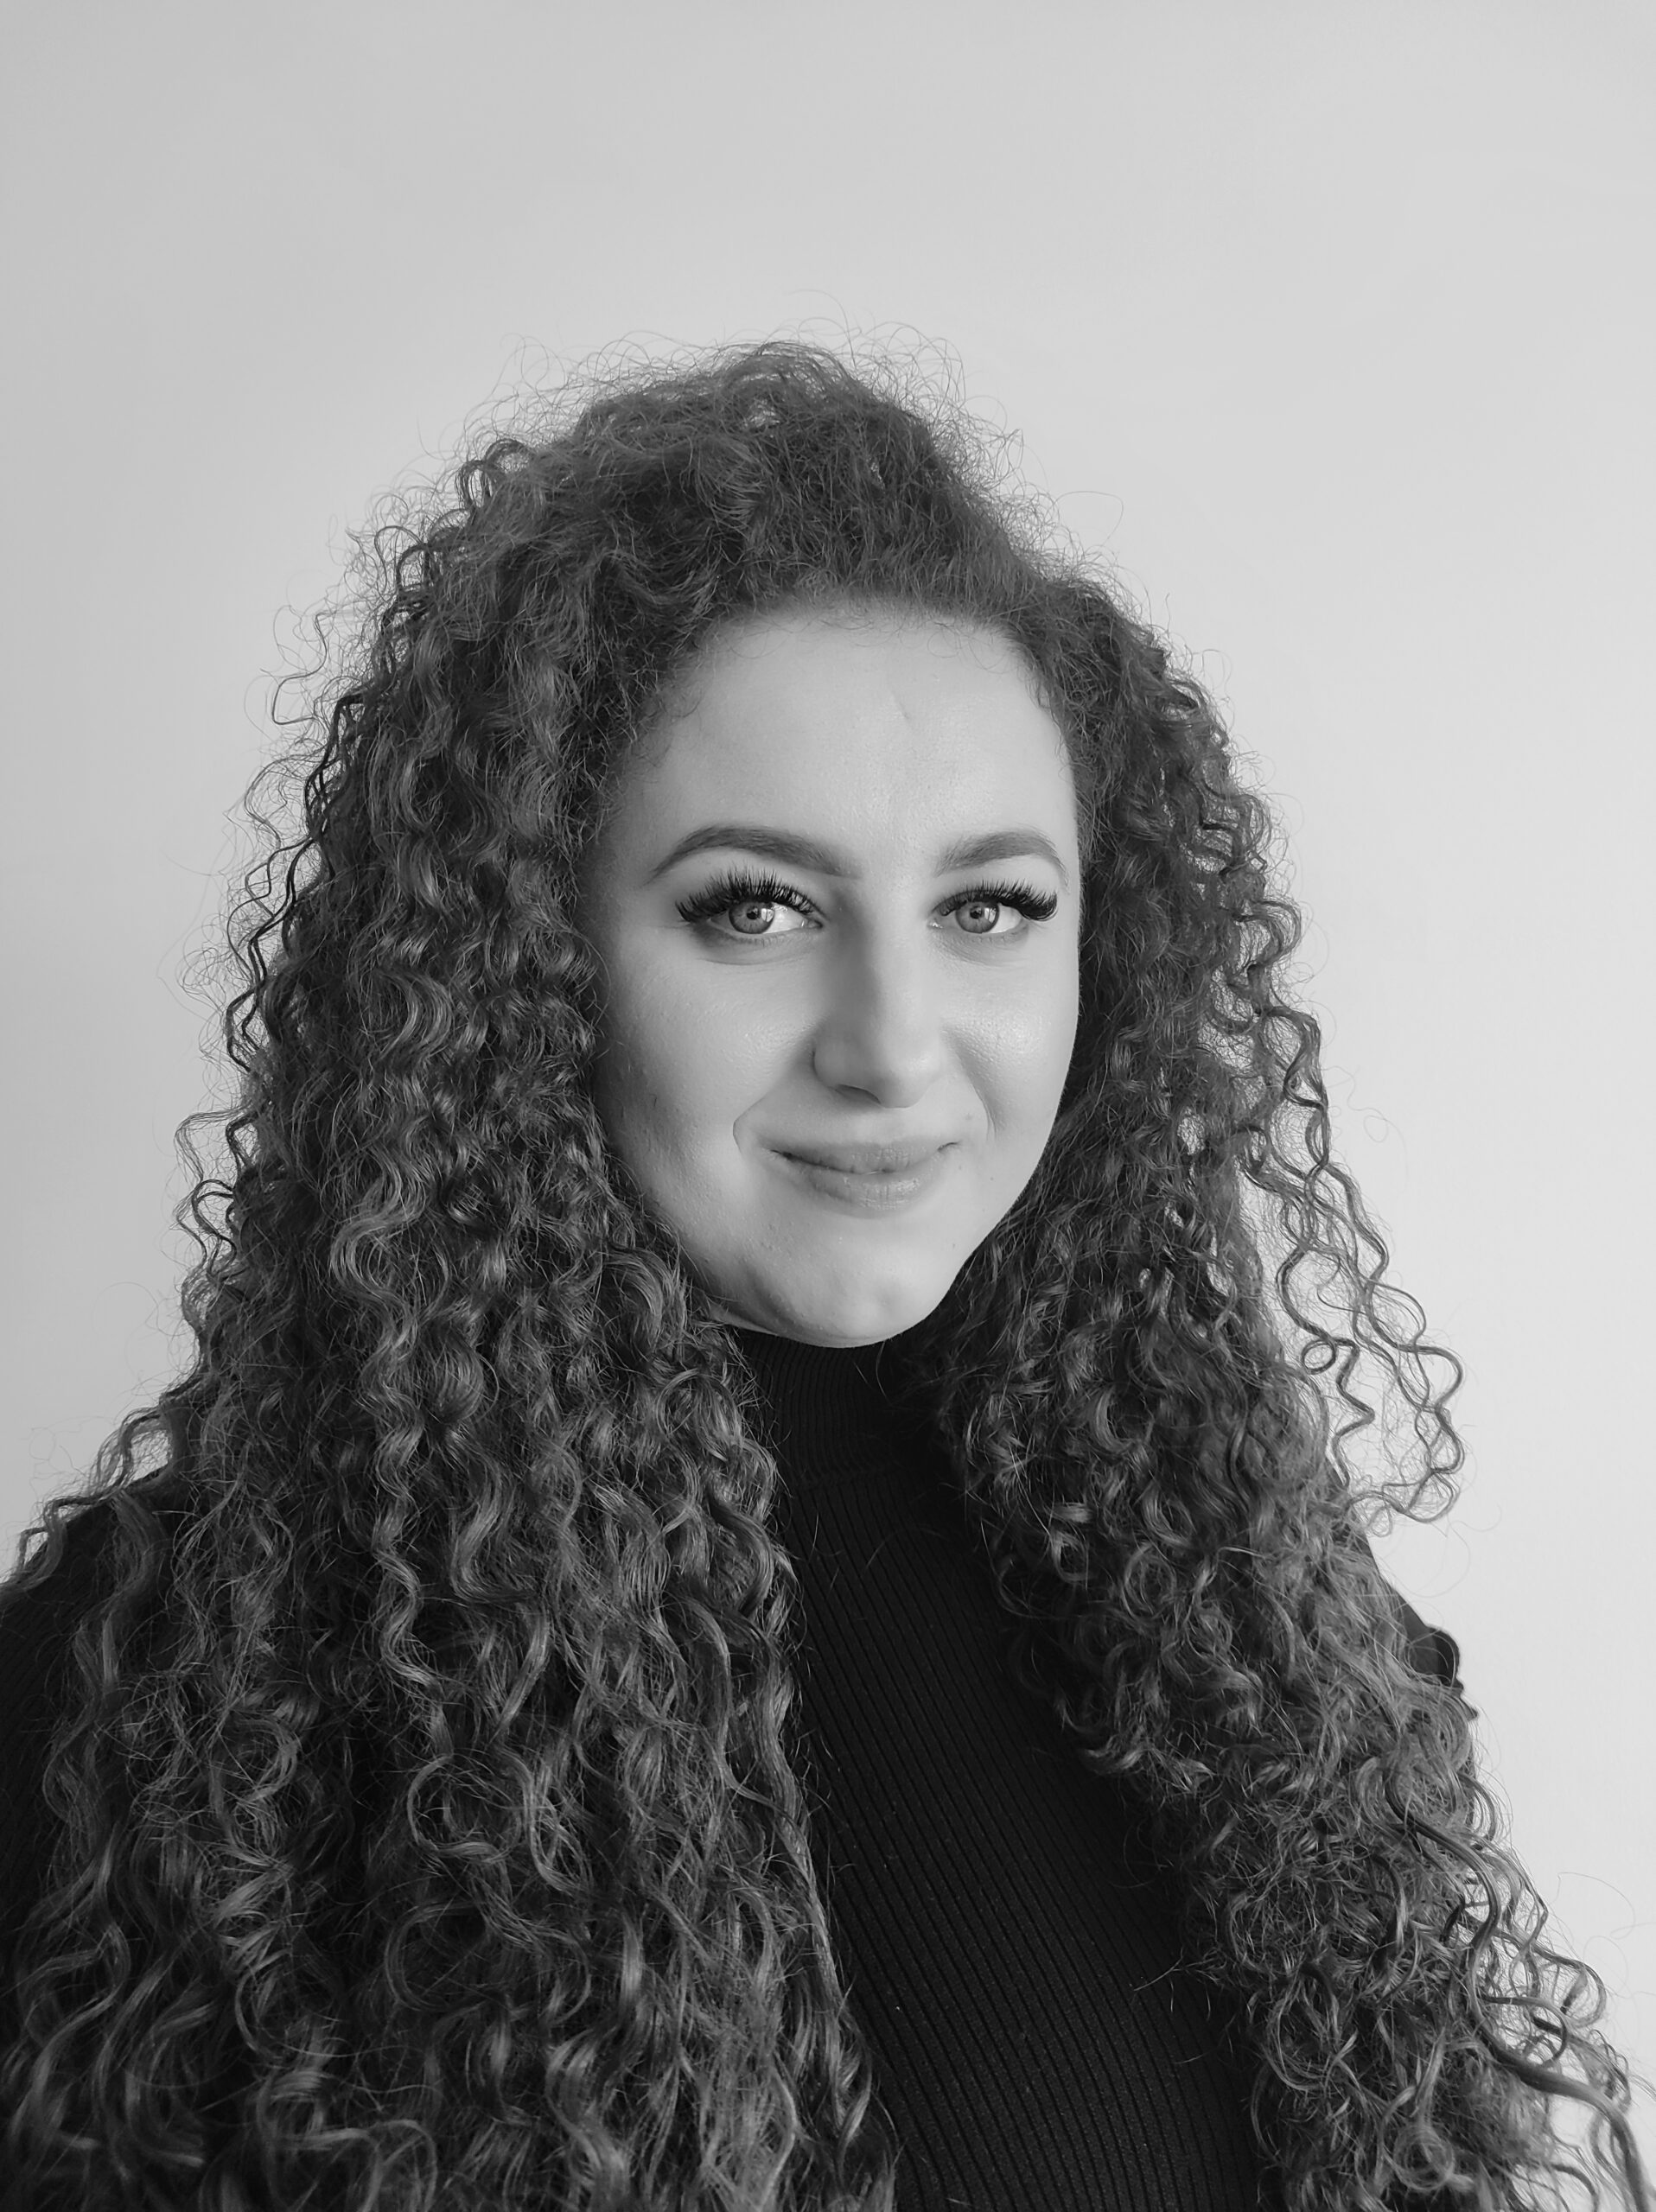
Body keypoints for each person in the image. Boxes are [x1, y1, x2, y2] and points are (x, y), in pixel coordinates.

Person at [0, 340, 1646, 2212]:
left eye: (988, 906)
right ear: (531, 965)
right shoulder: (162, 1708)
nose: (891, 1043)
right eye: (755, 906)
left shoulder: (1245, 1611)